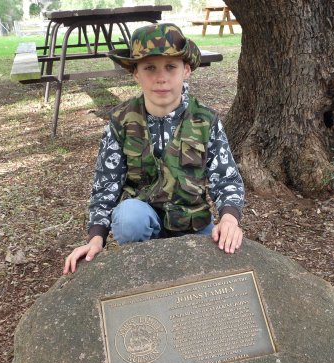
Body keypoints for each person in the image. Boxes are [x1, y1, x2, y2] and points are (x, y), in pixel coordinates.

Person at [64, 23, 245, 274]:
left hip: (194, 226)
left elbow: (226, 178)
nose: (161, 78)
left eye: (171, 67)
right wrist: (96, 238)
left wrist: (229, 218)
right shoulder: (121, 122)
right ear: (135, 73)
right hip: (142, 226)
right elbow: (106, 186)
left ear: (187, 70)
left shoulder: (205, 120)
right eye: (150, 68)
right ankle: (146, 275)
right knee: (128, 216)